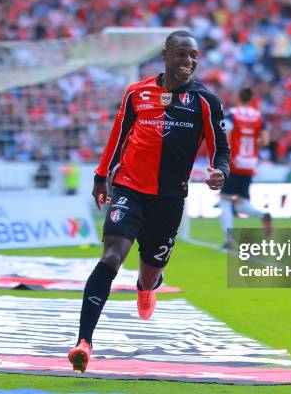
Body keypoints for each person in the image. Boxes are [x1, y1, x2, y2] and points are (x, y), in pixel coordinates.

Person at [67, 30, 229, 373]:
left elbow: (220, 150)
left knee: (150, 272)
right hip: (130, 190)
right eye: (182, 55)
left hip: (169, 202)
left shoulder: (205, 102)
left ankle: (147, 287)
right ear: (165, 56)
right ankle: (83, 342)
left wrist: (221, 173)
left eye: (194, 56)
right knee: (111, 257)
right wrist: (101, 176)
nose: (188, 61)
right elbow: (118, 136)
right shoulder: (137, 93)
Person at [218, 88, 271, 249]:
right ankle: (263, 215)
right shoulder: (258, 117)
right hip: (250, 163)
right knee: (241, 204)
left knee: (225, 201)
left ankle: (230, 240)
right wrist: (252, 141)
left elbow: (225, 137)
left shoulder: (232, 115)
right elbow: (265, 141)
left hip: (235, 162)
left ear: (238, 97)